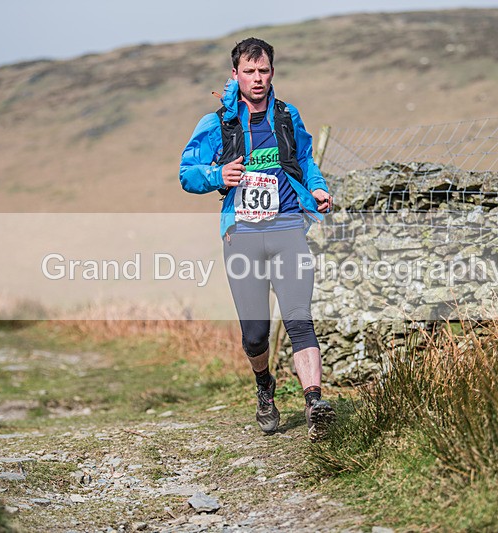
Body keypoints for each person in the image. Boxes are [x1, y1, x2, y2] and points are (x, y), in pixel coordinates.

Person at [179, 37, 335, 441]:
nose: (258, 78)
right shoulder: (217, 124)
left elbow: (304, 160)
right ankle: (264, 385)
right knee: (255, 334)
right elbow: (187, 173)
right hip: (243, 234)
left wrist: (316, 189)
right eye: (249, 72)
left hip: (287, 229)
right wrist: (217, 176)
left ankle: (314, 402)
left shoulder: (286, 115)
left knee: (300, 318)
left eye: (264, 71)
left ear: (272, 72)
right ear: (235, 75)